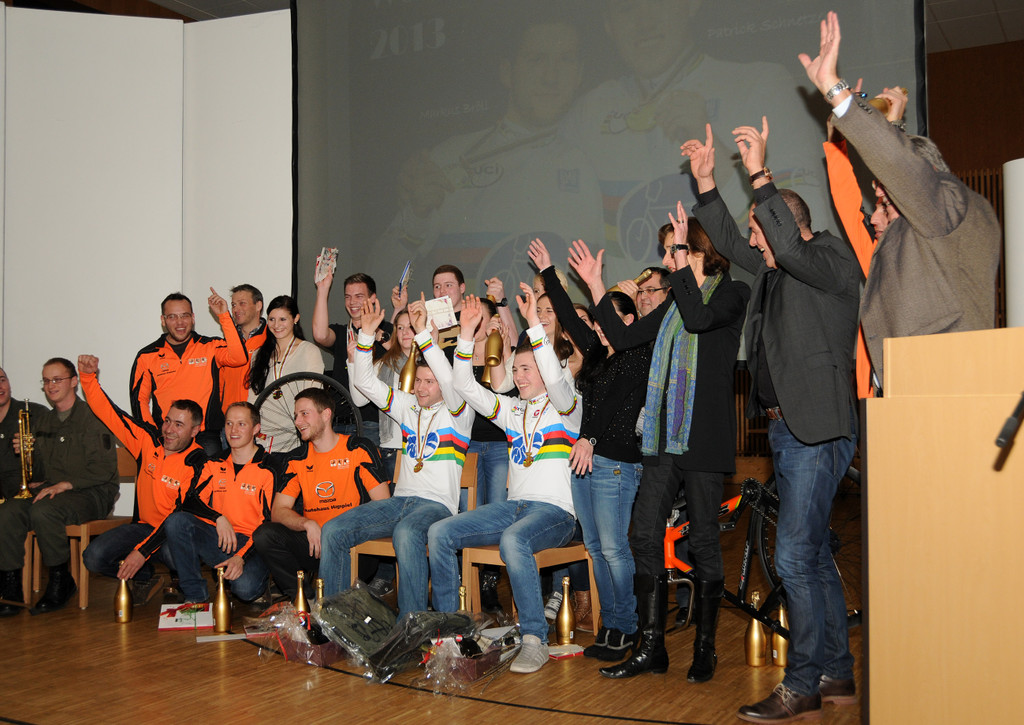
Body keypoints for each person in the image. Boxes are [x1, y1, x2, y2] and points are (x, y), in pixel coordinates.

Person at [681, 117, 859, 720]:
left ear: (789, 222)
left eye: (763, 231)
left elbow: (782, 244)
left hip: (817, 430)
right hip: (787, 430)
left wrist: (759, 174)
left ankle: (802, 682)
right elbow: (732, 242)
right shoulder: (776, 272)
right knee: (812, 555)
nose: (756, 244)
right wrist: (707, 184)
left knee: (793, 558)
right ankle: (835, 671)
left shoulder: (831, 259)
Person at [575, 204, 749, 682]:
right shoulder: (674, 304)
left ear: (700, 251)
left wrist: (681, 264)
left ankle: (705, 648)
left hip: (703, 440)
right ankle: (651, 647)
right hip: (664, 438)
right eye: (671, 251)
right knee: (643, 536)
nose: (670, 260)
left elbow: (699, 318)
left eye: (677, 250)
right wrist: (595, 286)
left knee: (704, 540)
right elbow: (623, 336)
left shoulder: (733, 293)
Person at [803, 11, 1001, 389]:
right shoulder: (923, 226)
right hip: (901, 396)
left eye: (883, 203)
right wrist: (881, 128)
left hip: (942, 385)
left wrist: (836, 91)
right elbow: (896, 177)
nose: (874, 215)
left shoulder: (951, 204)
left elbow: (906, 172)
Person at [379, 14, 603, 291]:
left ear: (579, 74)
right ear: (507, 72)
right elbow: (380, 280)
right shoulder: (452, 158)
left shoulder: (597, 160)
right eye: (536, 59)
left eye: (565, 60)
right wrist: (415, 218)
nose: (551, 77)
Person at [429, 289, 581, 674]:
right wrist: (466, 335)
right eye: (515, 370)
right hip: (515, 509)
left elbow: (557, 380)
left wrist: (533, 325)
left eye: (526, 369)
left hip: (557, 514)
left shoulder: (569, 407)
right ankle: (451, 635)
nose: (517, 376)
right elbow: (465, 387)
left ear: (546, 369)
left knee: (514, 540)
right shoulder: (513, 411)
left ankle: (534, 639)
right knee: (440, 532)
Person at [531, 238, 653, 662]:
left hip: (616, 465)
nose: (600, 330)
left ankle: (629, 626)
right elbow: (568, 316)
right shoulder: (599, 354)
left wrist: (590, 439)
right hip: (586, 461)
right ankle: (612, 623)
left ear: (629, 320)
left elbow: (616, 404)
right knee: (597, 549)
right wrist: (548, 272)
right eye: (599, 324)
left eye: (608, 322)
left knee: (615, 548)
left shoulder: (637, 354)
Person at [320, 298, 472, 614]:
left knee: (406, 533)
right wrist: (366, 336)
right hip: (400, 501)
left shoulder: (459, 412)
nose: (421, 388)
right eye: (418, 381)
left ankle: (411, 622)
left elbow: (449, 378)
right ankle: (334, 619)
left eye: (429, 382)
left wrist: (423, 335)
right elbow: (364, 383)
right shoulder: (407, 405)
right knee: (333, 530)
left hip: (437, 506)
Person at [79, 355, 207, 603]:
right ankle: (145, 576)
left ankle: (185, 583)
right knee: (93, 557)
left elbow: (179, 517)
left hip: (173, 535)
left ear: (195, 431)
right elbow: (110, 414)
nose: (169, 429)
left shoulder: (199, 463)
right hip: (143, 528)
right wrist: (87, 378)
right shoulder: (148, 441)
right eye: (167, 421)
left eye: (179, 425)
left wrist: (141, 551)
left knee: (173, 555)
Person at [0, 359, 118, 615]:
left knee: (44, 510)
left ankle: (60, 579)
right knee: (8, 511)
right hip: (55, 491)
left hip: (92, 492)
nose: (50, 386)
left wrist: (65, 484)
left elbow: (103, 469)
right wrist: (27, 456)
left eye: (57, 379)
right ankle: (10, 587)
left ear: (74, 381)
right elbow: (42, 472)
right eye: (46, 381)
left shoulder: (93, 416)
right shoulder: (44, 421)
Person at [251, 388, 389, 598]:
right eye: (296, 415)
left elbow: (383, 506)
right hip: (315, 545)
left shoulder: (358, 448)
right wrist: (306, 523)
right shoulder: (296, 459)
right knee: (265, 535)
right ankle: (303, 599)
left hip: (356, 547)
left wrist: (339, 531)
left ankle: (329, 601)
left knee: (334, 604)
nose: (298, 421)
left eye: (304, 414)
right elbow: (278, 511)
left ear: (326, 414)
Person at [162, 402, 277, 604]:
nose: (233, 430)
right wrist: (218, 518)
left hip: (253, 545)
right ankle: (196, 595)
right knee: (175, 527)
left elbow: (267, 524)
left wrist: (241, 557)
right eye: (229, 423)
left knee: (246, 589)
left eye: (241, 424)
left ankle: (252, 578)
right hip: (221, 537)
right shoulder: (213, 463)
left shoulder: (269, 468)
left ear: (256, 429)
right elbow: (190, 500)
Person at [130, 289, 247, 456]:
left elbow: (239, 358)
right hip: (168, 437)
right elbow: (139, 401)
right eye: (172, 317)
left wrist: (224, 316)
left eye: (184, 316)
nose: (180, 322)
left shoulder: (210, 346)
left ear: (192, 318)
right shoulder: (147, 355)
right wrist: (152, 435)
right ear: (163, 320)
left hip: (206, 436)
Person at [312, 269, 392, 447]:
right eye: (347, 297)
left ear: (372, 298)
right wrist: (323, 290)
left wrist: (375, 332)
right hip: (338, 423)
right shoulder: (342, 332)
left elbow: (401, 354)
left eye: (359, 296)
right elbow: (320, 335)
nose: (352, 302)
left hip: (371, 423)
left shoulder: (386, 331)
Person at [246, 295, 324, 453]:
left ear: (296, 319)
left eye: (283, 319)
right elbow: (253, 397)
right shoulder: (259, 355)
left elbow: (314, 396)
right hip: (264, 434)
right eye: (272, 319)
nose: (276, 325)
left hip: (297, 432)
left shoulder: (309, 351)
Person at [220, 283, 267, 412]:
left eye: (242, 303)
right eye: (233, 305)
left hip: (261, 416)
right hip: (229, 416)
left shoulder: (272, 339)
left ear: (258, 305)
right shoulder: (226, 341)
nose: (236, 309)